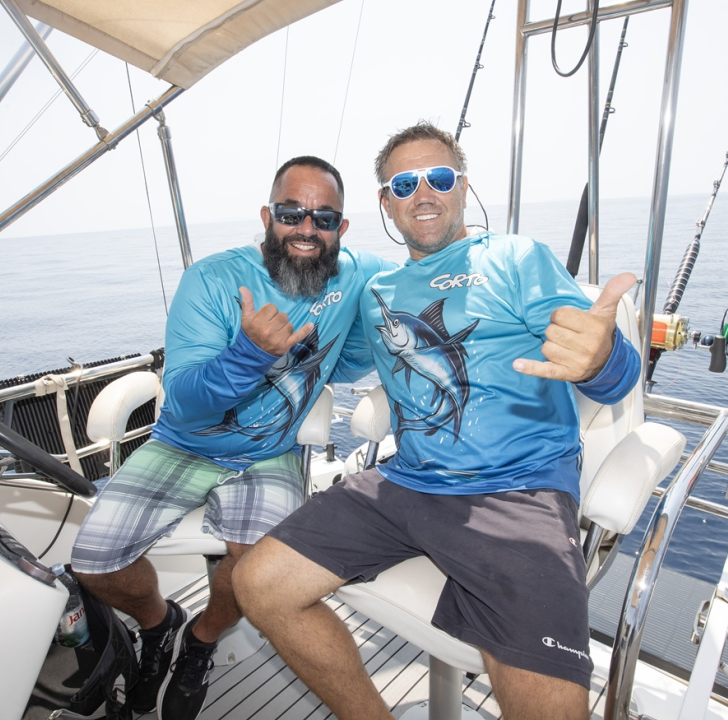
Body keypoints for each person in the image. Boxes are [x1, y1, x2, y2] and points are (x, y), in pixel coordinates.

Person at [233, 123, 640, 720]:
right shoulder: (377, 290)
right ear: (385, 202)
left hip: (516, 491)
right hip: (406, 483)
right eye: (404, 183)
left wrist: (603, 358)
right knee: (258, 585)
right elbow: (340, 357)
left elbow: (608, 369)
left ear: (463, 187)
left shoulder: (516, 258)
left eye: (439, 177)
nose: (423, 193)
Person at [70, 155, 392, 720]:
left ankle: (200, 638)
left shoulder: (358, 275)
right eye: (292, 213)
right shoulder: (213, 280)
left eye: (323, 218)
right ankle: (157, 624)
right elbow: (188, 399)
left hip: (271, 455)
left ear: (342, 229)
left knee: (256, 574)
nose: (306, 230)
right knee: (94, 566)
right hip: (183, 443)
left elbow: (353, 354)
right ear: (269, 216)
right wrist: (250, 354)